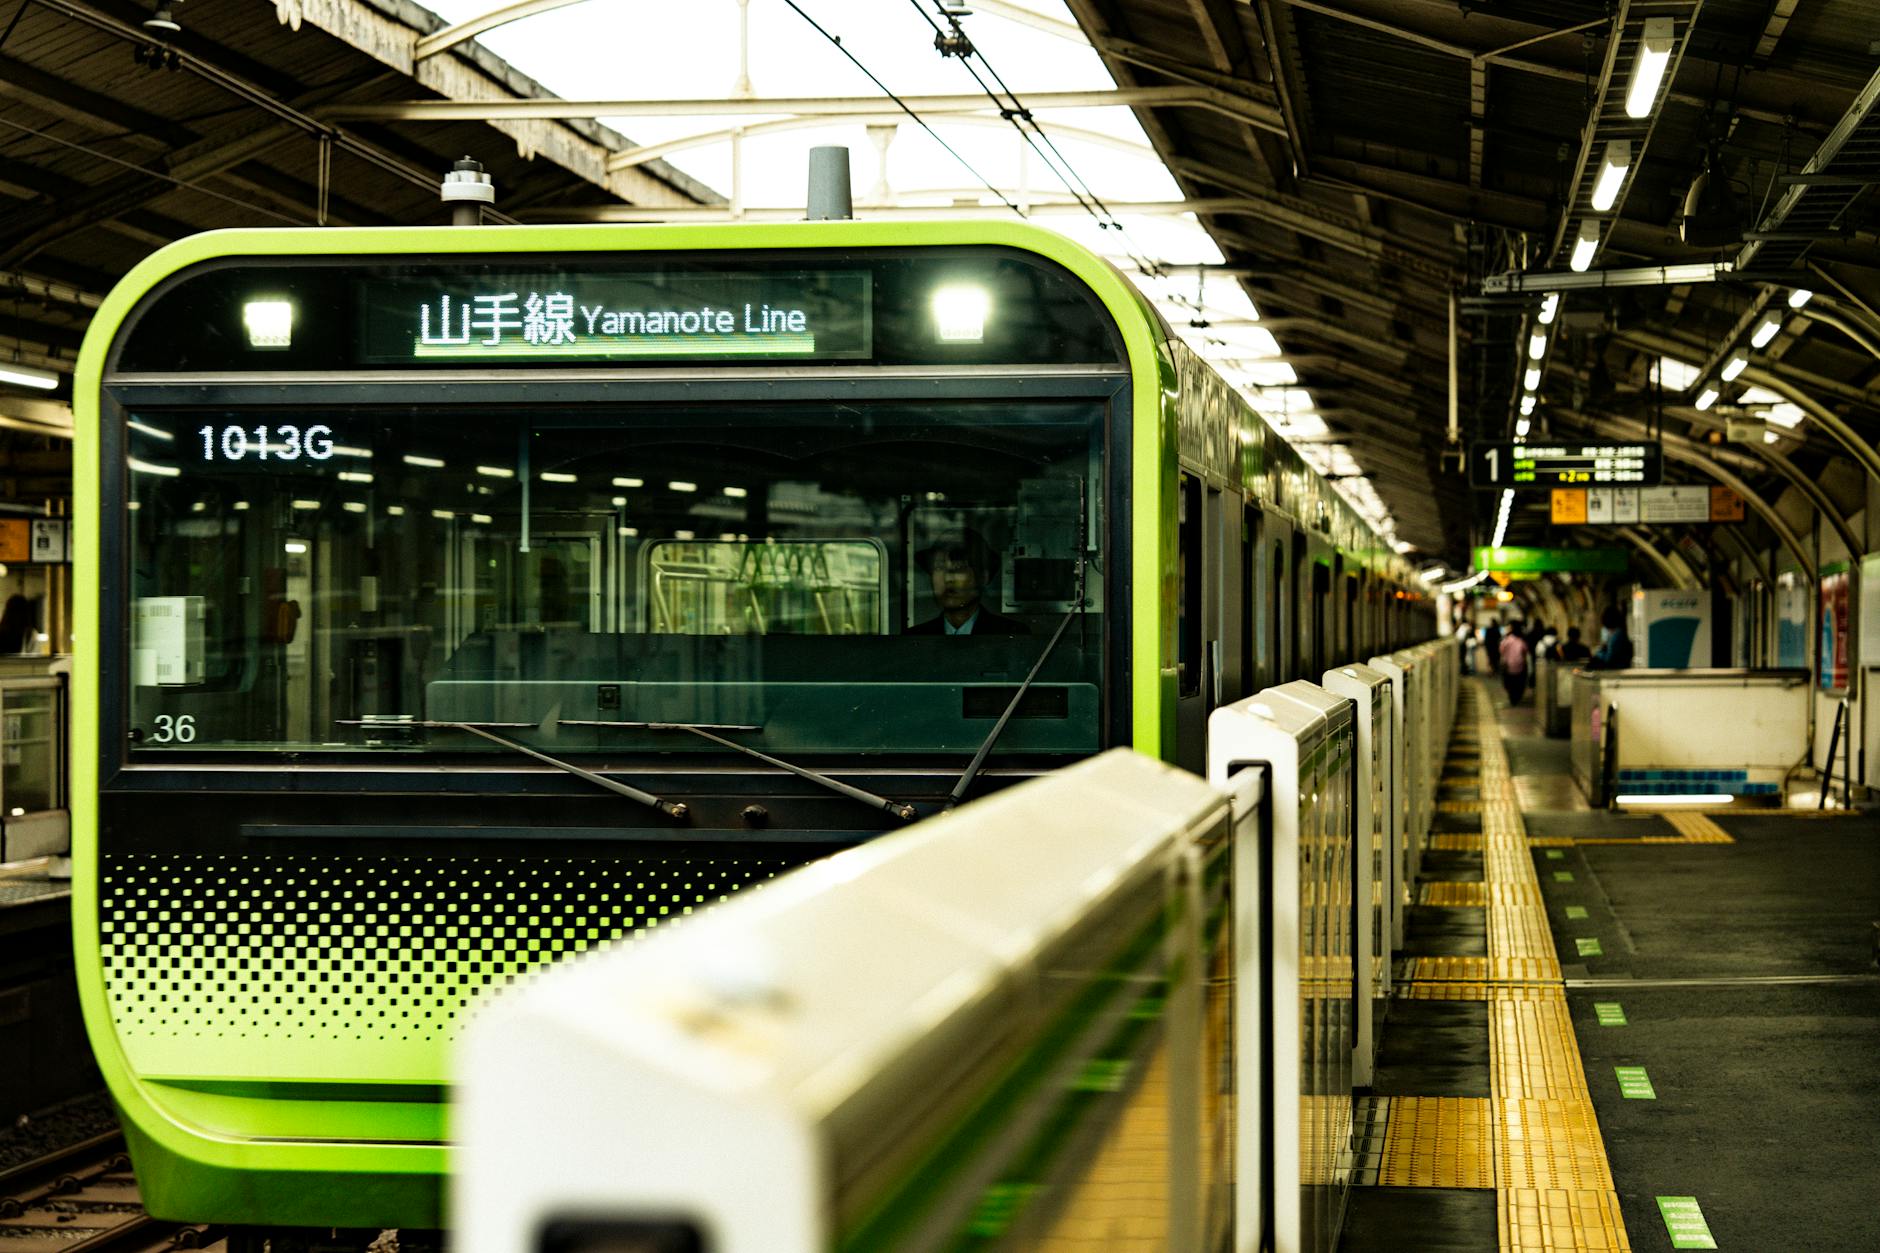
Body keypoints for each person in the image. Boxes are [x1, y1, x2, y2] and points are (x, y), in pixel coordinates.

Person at [908, 528, 1029, 636]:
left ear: (983, 577)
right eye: (939, 567)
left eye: (959, 567)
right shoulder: (914, 638)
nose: (948, 579)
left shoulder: (1011, 634)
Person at [1588, 605, 1634, 670]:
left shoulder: (1616, 637)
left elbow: (1608, 659)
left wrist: (1599, 654)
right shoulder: (1621, 633)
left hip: (1615, 670)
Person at [1499, 626, 1530, 704]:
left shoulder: (1506, 640)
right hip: (1520, 665)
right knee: (1519, 683)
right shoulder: (1521, 641)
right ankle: (1517, 697)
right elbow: (1525, 651)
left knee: (1509, 682)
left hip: (1508, 665)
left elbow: (1501, 650)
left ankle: (1512, 697)